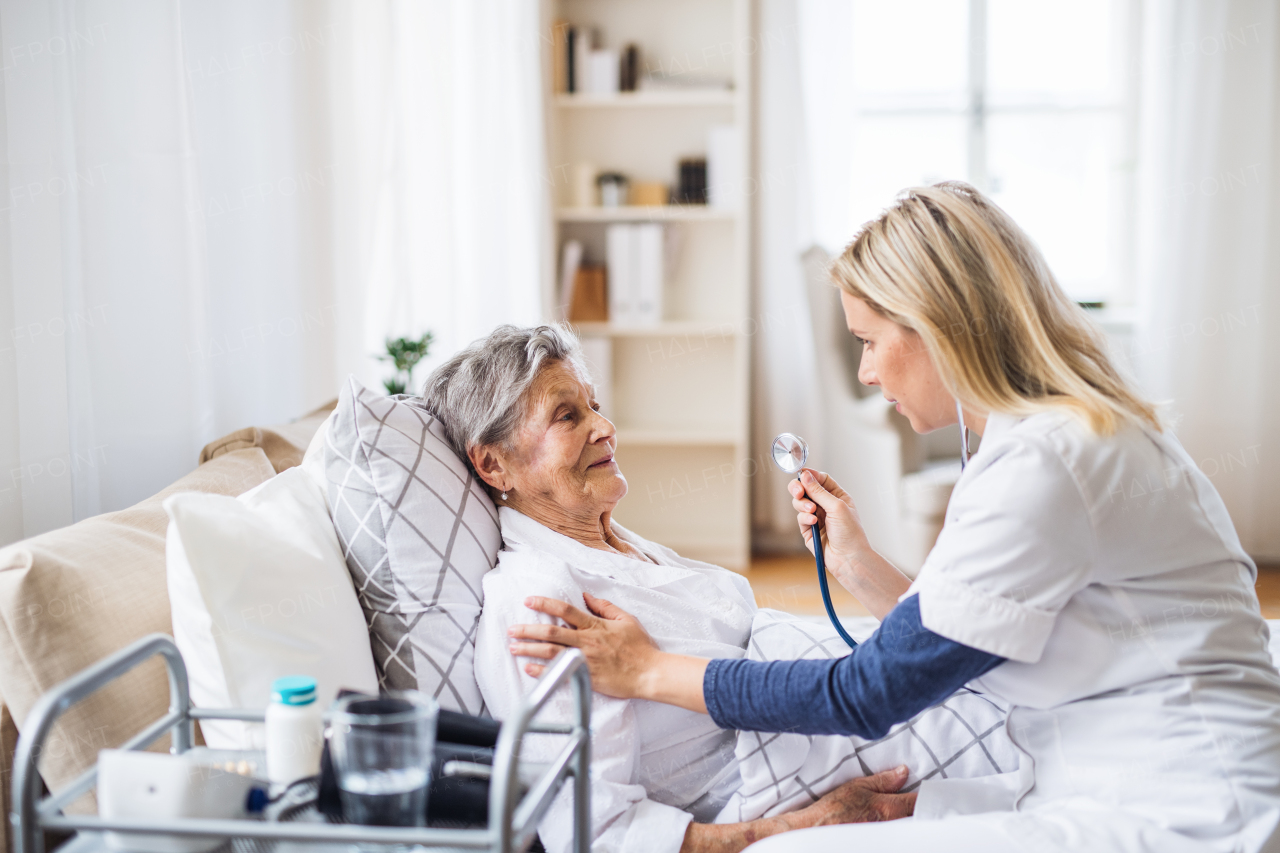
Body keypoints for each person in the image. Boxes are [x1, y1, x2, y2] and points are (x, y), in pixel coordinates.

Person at [508, 182, 1280, 853]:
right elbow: (977, 631)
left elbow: (866, 695)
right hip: (1095, 757)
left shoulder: (1047, 465)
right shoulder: (1045, 437)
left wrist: (653, 670)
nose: (868, 371)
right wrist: (857, 566)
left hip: (1186, 804)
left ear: (939, 324)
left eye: (870, 342)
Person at [421, 325, 960, 853]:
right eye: (568, 416)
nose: (605, 427)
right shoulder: (540, 602)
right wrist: (812, 825)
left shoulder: (617, 547)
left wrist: (852, 562)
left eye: (594, 405)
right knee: (1021, 727)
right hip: (829, 754)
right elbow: (599, 834)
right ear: (493, 464)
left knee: (996, 681)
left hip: (856, 700)